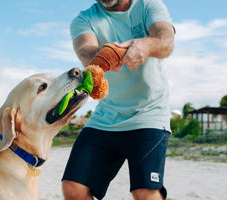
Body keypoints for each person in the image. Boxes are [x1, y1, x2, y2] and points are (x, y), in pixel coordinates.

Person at [62, 0, 175, 199]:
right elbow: (85, 51)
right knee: (73, 187)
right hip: (106, 117)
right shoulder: (83, 19)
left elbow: (166, 40)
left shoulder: (148, 5)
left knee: (145, 192)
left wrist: (145, 44)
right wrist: (105, 55)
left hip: (149, 114)